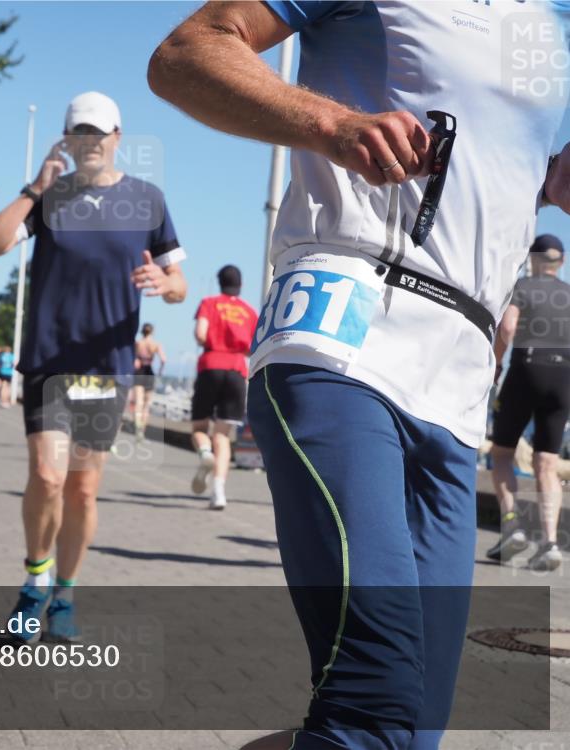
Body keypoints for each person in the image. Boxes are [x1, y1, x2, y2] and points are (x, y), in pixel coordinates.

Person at [148, 2, 570, 748]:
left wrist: (551, 181)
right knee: (375, 702)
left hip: (460, 377)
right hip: (344, 332)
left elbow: (507, 169)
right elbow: (185, 55)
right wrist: (331, 125)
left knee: (410, 735)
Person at [0, 91, 187, 642]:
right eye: (79, 133)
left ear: (118, 137)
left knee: (82, 491)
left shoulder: (148, 200)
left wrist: (165, 285)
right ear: (65, 141)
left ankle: (65, 594)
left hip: (106, 367)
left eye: (99, 133)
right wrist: (33, 188)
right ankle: (34, 582)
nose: (90, 142)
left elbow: (180, 284)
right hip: (50, 361)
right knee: (47, 477)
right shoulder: (50, 199)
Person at [489, 234, 570, 571]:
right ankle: (550, 543)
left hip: (527, 369)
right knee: (547, 462)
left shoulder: (523, 285)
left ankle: (512, 525)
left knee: (503, 453)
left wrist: (495, 366)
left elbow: (507, 328)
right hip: (564, 378)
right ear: (561, 262)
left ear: (534, 259)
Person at [189, 265, 258, 510]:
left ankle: (205, 454)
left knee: (199, 427)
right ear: (240, 284)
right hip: (237, 371)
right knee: (223, 436)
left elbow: (200, 334)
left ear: (219, 282)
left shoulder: (209, 303)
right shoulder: (249, 312)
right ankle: (218, 492)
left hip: (210, 365)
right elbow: (254, 347)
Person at [131, 323, 165, 443]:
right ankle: (142, 431)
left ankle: (137, 430)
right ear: (152, 332)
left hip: (139, 372)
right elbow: (163, 359)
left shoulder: (138, 343)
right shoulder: (156, 344)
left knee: (138, 402)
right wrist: (160, 372)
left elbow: (133, 359)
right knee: (146, 404)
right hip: (149, 372)